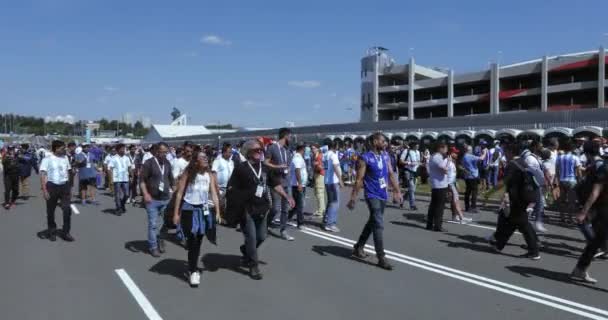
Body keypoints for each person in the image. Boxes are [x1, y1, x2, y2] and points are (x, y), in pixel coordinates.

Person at [227, 140, 294, 280]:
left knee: (261, 236)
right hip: (247, 209)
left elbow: (275, 184)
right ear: (248, 152)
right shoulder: (240, 168)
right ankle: (253, 265)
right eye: (256, 150)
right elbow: (231, 188)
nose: (260, 152)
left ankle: (246, 250)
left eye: (261, 150)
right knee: (251, 237)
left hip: (262, 207)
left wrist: (287, 197)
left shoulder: (265, 168)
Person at [348, 132, 402, 271]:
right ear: (374, 142)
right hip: (371, 195)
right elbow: (359, 180)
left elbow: (390, 173)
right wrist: (353, 197)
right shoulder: (364, 158)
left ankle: (358, 247)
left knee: (373, 221)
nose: (385, 143)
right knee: (378, 223)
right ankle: (381, 257)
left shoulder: (385, 156)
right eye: (382, 141)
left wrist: (397, 191)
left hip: (383, 194)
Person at [172, 151, 220, 287]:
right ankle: (193, 268)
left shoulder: (209, 174)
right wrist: (176, 213)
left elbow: (214, 194)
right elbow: (180, 193)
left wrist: (217, 211)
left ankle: (193, 268)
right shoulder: (189, 174)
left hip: (203, 210)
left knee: (198, 239)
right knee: (191, 239)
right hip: (189, 209)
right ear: (195, 160)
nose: (206, 159)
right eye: (202, 157)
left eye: (206, 157)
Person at [491, 143, 540, 260]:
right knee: (512, 222)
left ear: (510, 152)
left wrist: (489, 192)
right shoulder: (523, 162)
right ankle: (499, 245)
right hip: (526, 196)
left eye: (505, 152)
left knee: (522, 224)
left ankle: (534, 251)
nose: (504, 155)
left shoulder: (512, 165)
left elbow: (504, 181)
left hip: (518, 198)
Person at [140, 142, 175, 257]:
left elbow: (172, 181)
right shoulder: (149, 163)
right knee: (153, 224)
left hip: (165, 199)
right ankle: (153, 246)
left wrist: (175, 195)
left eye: (166, 152)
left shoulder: (168, 163)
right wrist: (145, 194)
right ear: (156, 151)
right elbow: (142, 181)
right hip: (152, 199)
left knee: (166, 223)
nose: (164, 154)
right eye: (162, 152)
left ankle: (161, 239)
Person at [38, 140, 74, 242]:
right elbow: (42, 175)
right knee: (51, 211)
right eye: (62, 148)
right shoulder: (47, 159)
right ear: (56, 148)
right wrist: (45, 190)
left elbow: (68, 171)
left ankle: (66, 232)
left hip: (64, 186)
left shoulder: (65, 158)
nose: (64, 150)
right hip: (52, 186)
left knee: (67, 209)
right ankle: (52, 231)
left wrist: (70, 187)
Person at [264, 128, 294, 241]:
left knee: (285, 209)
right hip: (275, 182)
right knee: (275, 209)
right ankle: (265, 225)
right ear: (285, 136)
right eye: (290, 137)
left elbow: (288, 165)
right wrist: (278, 167)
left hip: (286, 182)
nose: (291, 139)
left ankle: (283, 230)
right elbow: (265, 162)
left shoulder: (287, 150)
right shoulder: (272, 148)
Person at [555, 140, 582, 224]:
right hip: (572, 181)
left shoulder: (559, 157)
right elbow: (578, 171)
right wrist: (580, 180)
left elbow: (557, 170)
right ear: (572, 148)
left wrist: (558, 180)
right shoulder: (575, 158)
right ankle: (570, 218)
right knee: (571, 201)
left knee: (562, 200)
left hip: (562, 180)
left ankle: (562, 217)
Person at [426, 143, 449, 232]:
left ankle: (429, 224)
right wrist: (449, 162)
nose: (446, 151)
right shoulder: (437, 157)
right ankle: (438, 226)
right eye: (445, 148)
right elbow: (445, 170)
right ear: (440, 148)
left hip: (436, 184)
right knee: (439, 207)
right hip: (440, 185)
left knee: (433, 205)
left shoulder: (433, 156)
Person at [323, 140, 344, 232]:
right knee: (335, 203)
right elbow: (336, 167)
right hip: (333, 181)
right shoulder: (333, 155)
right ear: (334, 146)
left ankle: (326, 219)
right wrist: (340, 179)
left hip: (327, 180)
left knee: (330, 202)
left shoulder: (325, 154)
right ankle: (330, 224)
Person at [108, 144, 133, 216]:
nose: (123, 150)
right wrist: (111, 179)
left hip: (125, 178)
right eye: (122, 149)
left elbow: (129, 167)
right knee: (117, 195)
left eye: (124, 149)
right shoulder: (114, 158)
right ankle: (118, 208)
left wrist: (131, 175)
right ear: (118, 150)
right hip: (117, 179)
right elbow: (110, 169)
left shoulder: (126, 158)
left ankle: (122, 204)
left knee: (127, 194)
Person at [288, 144, 308, 229]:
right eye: (305, 149)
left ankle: (288, 217)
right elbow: (297, 170)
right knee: (300, 204)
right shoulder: (297, 158)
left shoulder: (299, 157)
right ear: (302, 149)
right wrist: (299, 183)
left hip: (300, 184)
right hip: (297, 185)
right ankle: (300, 223)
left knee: (297, 204)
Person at [447, 147, 469, 223]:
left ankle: (455, 216)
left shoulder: (453, 162)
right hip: (449, 184)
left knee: (454, 200)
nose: (457, 154)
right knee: (456, 200)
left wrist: (456, 182)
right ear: (451, 153)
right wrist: (448, 185)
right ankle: (461, 217)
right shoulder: (448, 161)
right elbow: (445, 173)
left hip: (452, 183)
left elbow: (452, 174)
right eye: (455, 153)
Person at [462, 145, 484, 213]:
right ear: (469, 150)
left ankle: (467, 207)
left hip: (467, 176)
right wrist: (484, 153)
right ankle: (473, 207)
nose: (472, 151)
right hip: (473, 176)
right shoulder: (470, 156)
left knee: (468, 192)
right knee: (474, 192)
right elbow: (481, 158)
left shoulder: (464, 156)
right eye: (471, 150)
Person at [399, 142, 420, 211]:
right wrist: (409, 163)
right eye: (416, 144)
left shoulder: (418, 152)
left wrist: (420, 164)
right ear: (413, 145)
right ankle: (412, 205)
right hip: (407, 171)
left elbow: (418, 161)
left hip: (415, 172)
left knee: (412, 189)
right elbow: (401, 161)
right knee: (411, 187)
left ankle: (402, 199)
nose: (418, 145)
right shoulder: (406, 151)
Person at [311, 144, 326, 217]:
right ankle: (321, 209)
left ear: (317, 149)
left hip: (320, 175)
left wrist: (316, 165)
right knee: (318, 193)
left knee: (319, 193)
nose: (312, 150)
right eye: (312, 148)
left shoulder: (319, 156)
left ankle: (321, 211)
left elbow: (321, 167)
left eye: (314, 148)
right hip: (317, 175)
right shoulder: (316, 156)